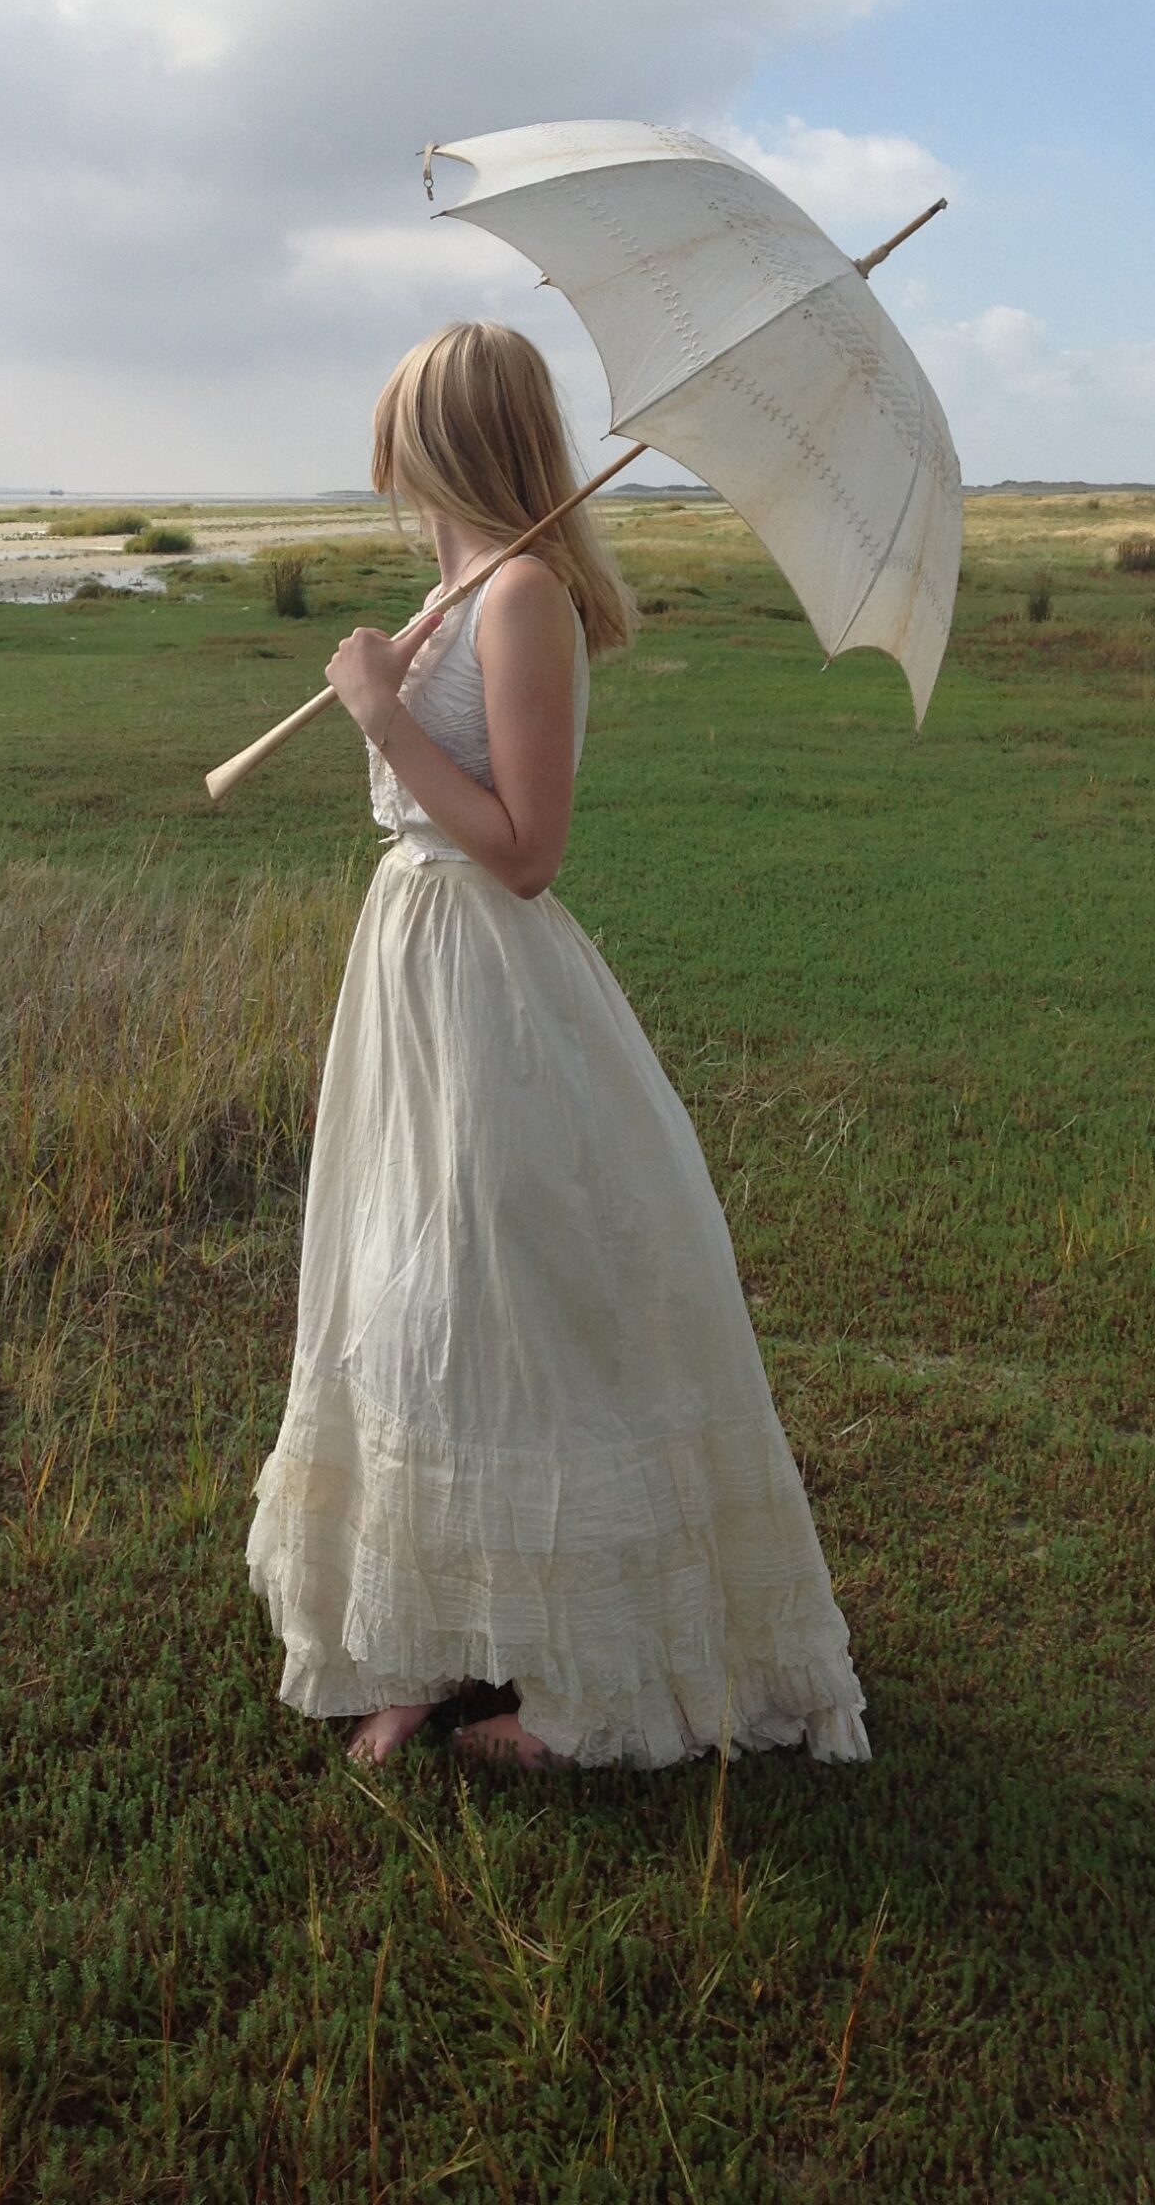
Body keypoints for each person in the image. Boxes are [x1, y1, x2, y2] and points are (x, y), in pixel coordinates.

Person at [244, 319, 872, 1772]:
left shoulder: (523, 596)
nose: (383, 455)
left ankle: (579, 1685)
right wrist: (393, 693)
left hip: (487, 981)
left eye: (402, 427)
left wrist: (384, 720)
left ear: (449, 439)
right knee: (407, 1293)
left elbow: (527, 852)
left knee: (502, 1295)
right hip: (405, 976)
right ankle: (419, 1641)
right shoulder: (455, 585)